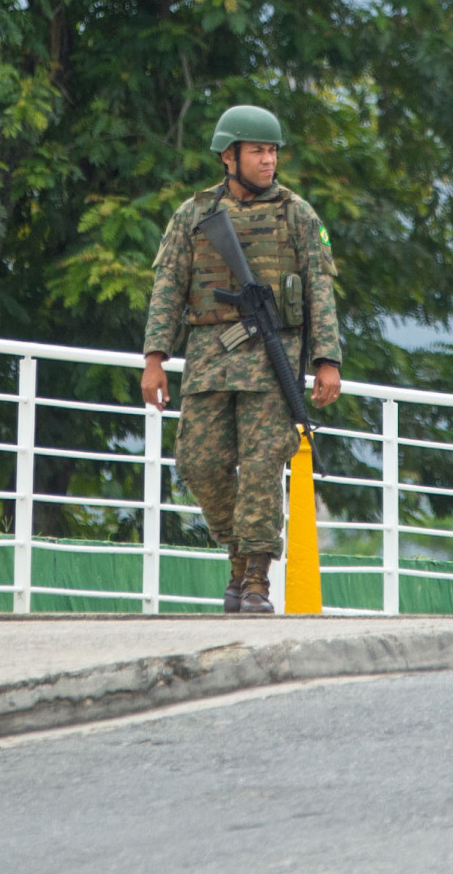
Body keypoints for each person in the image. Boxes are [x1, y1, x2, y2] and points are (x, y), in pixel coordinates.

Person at [141, 105, 342, 614]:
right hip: (210, 358)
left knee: (260, 469)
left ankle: (255, 579)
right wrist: (154, 358)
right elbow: (168, 287)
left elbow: (320, 289)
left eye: (273, 151)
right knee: (198, 463)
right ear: (228, 156)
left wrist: (327, 360)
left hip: (272, 364)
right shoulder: (194, 214)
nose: (268, 160)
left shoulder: (297, 214)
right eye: (257, 151)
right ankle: (238, 552)